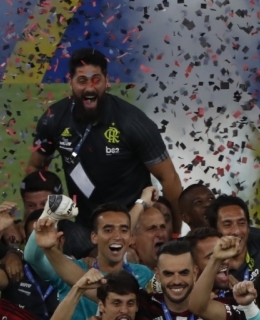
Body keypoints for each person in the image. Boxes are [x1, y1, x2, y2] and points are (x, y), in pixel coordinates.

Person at [27, 48, 183, 227]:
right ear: (70, 82)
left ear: (106, 81)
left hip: (134, 223)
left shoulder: (132, 122)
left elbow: (169, 178)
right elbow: (35, 167)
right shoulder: (53, 119)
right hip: (86, 225)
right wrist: (37, 216)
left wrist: (176, 232)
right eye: (82, 81)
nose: (89, 88)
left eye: (96, 80)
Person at [26, 202, 154, 320]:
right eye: (108, 230)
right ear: (94, 237)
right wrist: (48, 216)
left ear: (131, 238)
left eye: (124, 230)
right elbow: (32, 258)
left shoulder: (144, 274)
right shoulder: (68, 269)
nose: (117, 236)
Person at [20, 169, 93, 257]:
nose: (39, 210)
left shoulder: (77, 236)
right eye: (31, 205)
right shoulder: (17, 232)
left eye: (45, 204)